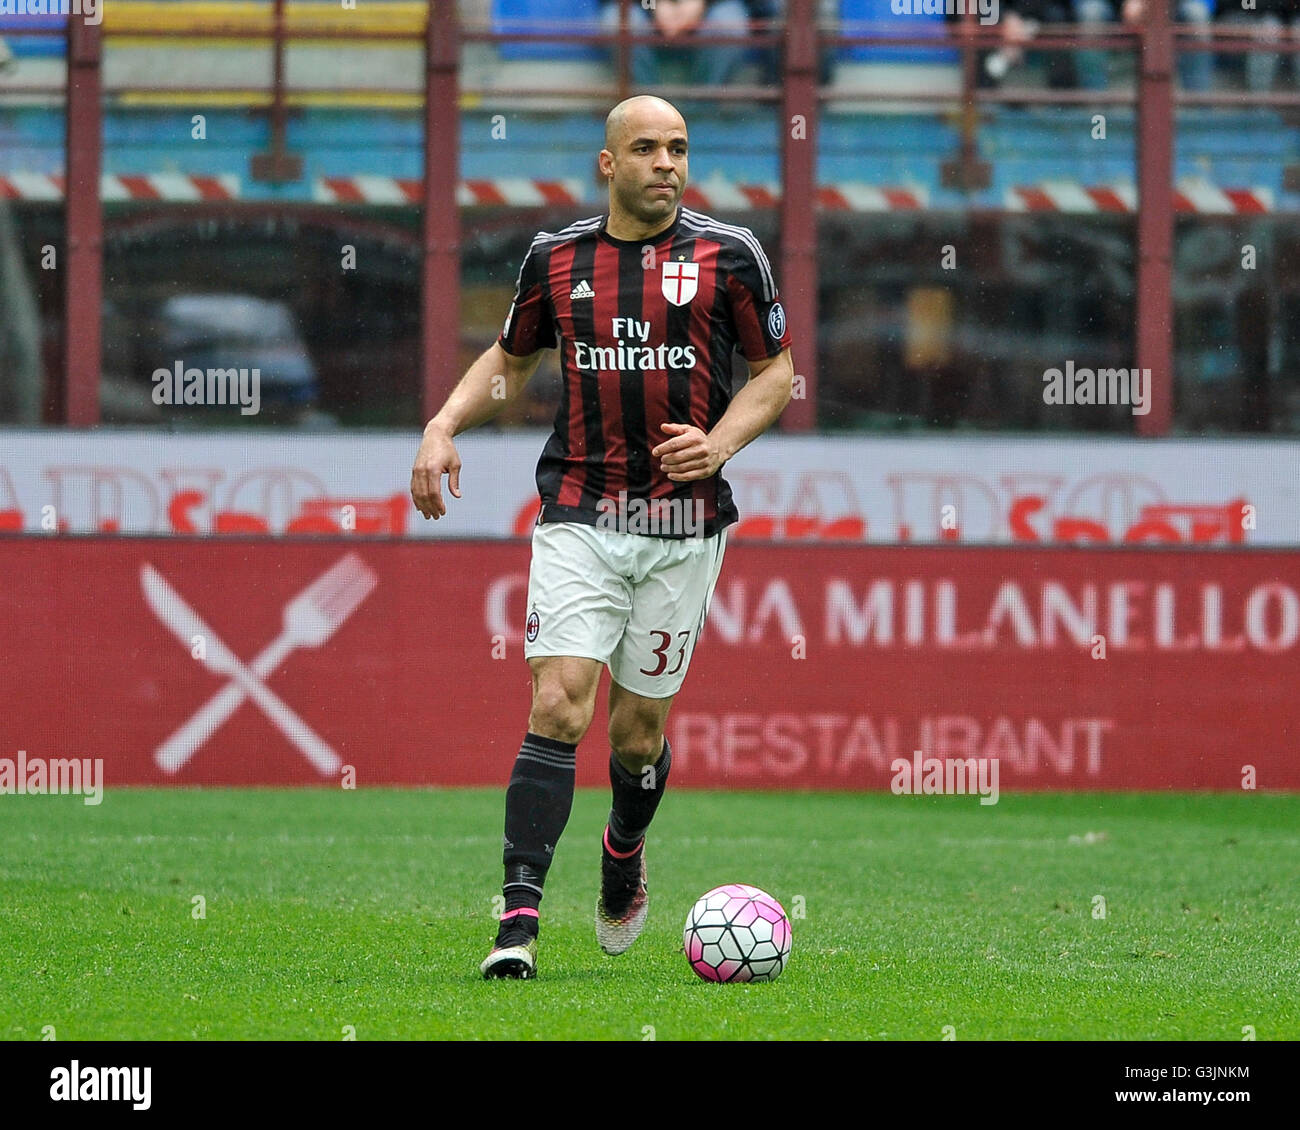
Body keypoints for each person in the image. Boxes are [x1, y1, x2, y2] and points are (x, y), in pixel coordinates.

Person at [409, 95, 795, 980]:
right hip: (581, 509)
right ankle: (517, 921)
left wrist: (722, 442)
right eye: (648, 148)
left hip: (681, 524)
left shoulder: (731, 255)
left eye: (680, 149)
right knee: (559, 703)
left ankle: (623, 852)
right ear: (608, 165)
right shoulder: (557, 259)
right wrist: (443, 426)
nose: (667, 163)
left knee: (636, 736)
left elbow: (777, 374)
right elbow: (510, 361)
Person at [598, 0, 772, 87]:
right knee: (618, 24)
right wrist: (652, 4)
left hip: (713, 7)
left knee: (729, 26)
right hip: (644, 6)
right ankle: (647, 111)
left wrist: (703, 2)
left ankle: (701, 114)